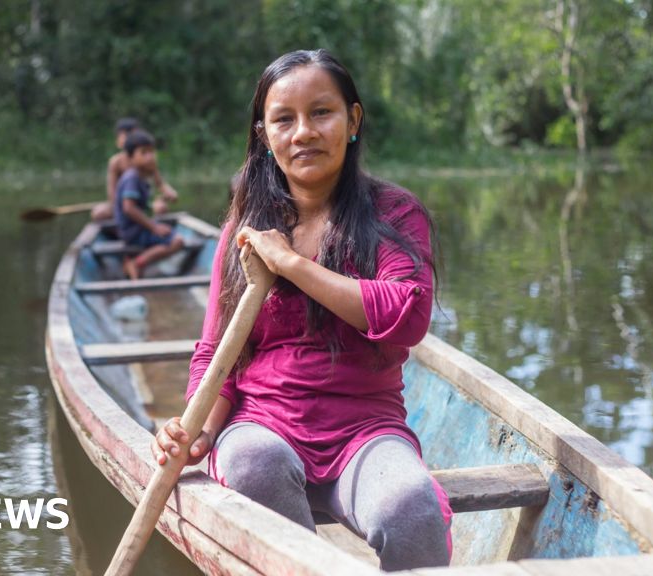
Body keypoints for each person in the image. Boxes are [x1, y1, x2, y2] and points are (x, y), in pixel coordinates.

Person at [151, 49, 453, 571]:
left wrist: (290, 264)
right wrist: (198, 429)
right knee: (253, 463)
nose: (303, 132)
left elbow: (407, 317)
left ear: (352, 120)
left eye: (321, 113)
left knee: (412, 512)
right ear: (264, 135)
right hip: (263, 424)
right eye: (283, 119)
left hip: (365, 429)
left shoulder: (394, 214)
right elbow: (218, 353)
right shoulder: (244, 233)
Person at [115, 129, 186, 280]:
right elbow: (128, 208)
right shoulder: (132, 178)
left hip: (137, 229)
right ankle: (137, 263)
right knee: (177, 241)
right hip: (133, 232)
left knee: (167, 230)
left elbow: (162, 191)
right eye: (144, 152)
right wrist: (154, 227)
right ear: (130, 157)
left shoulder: (142, 175)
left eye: (152, 152)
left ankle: (135, 262)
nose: (150, 157)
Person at [91, 117, 179, 222]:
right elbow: (112, 193)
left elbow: (160, 183)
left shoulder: (147, 161)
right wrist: (120, 208)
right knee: (99, 213)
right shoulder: (116, 162)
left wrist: (169, 193)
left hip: (142, 203)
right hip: (123, 204)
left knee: (161, 208)